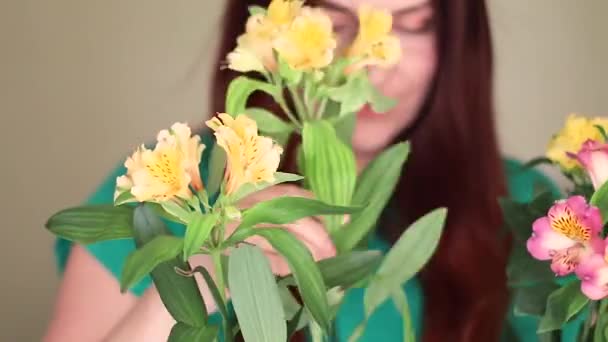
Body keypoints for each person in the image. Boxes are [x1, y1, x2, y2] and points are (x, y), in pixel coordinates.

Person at [44, 0, 577, 341]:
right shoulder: (170, 182)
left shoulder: (531, 205)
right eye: (331, 25)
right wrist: (201, 276)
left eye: (412, 26)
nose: (368, 64)